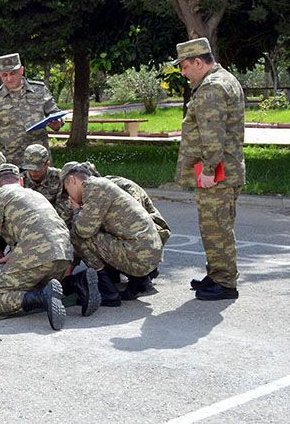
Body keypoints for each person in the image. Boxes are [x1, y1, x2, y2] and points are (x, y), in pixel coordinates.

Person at [0, 164, 89, 331]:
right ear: (20, 181)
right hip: (64, 254)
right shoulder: (35, 194)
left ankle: (42, 297)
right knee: (33, 285)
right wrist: (13, 256)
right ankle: (77, 282)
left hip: (38, 254)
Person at [174, 37, 245, 302]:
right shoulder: (226, 79)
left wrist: (208, 169)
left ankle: (225, 283)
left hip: (218, 173)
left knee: (216, 228)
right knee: (219, 225)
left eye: (185, 67)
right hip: (230, 169)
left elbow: (212, 134)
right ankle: (216, 275)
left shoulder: (211, 88)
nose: (183, 73)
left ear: (198, 62)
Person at [62, 162, 163, 306]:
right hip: (147, 253)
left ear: (72, 180)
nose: (69, 197)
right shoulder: (100, 186)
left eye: (67, 191)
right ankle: (138, 281)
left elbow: (83, 231)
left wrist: (76, 210)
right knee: (95, 234)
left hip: (140, 255)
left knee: (77, 236)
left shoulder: (94, 188)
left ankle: (108, 292)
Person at [0, 52, 61, 167]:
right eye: (4, 75)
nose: (9, 78)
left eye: (13, 73)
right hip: (11, 162)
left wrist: (57, 123)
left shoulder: (39, 90)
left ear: (21, 70)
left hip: (40, 162)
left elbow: (55, 114)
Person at [21, 144, 72, 225]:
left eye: (38, 169)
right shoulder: (20, 181)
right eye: (30, 168)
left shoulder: (59, 178)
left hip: (54, 222)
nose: (33, 172)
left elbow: (66, 208)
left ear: (47, 164)